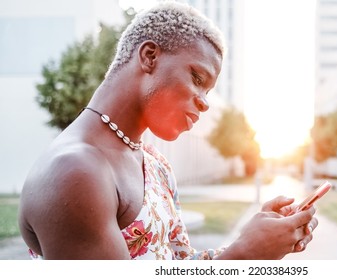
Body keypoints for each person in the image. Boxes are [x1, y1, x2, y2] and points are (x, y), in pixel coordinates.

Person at [18, 1, 318, 260]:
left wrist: (255, 242)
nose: (204, 104)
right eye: (197, 78)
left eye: (209, 91)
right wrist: (244, 255)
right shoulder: (75, 172)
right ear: (149, 56)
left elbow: (177, 263)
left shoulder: (152, 160)